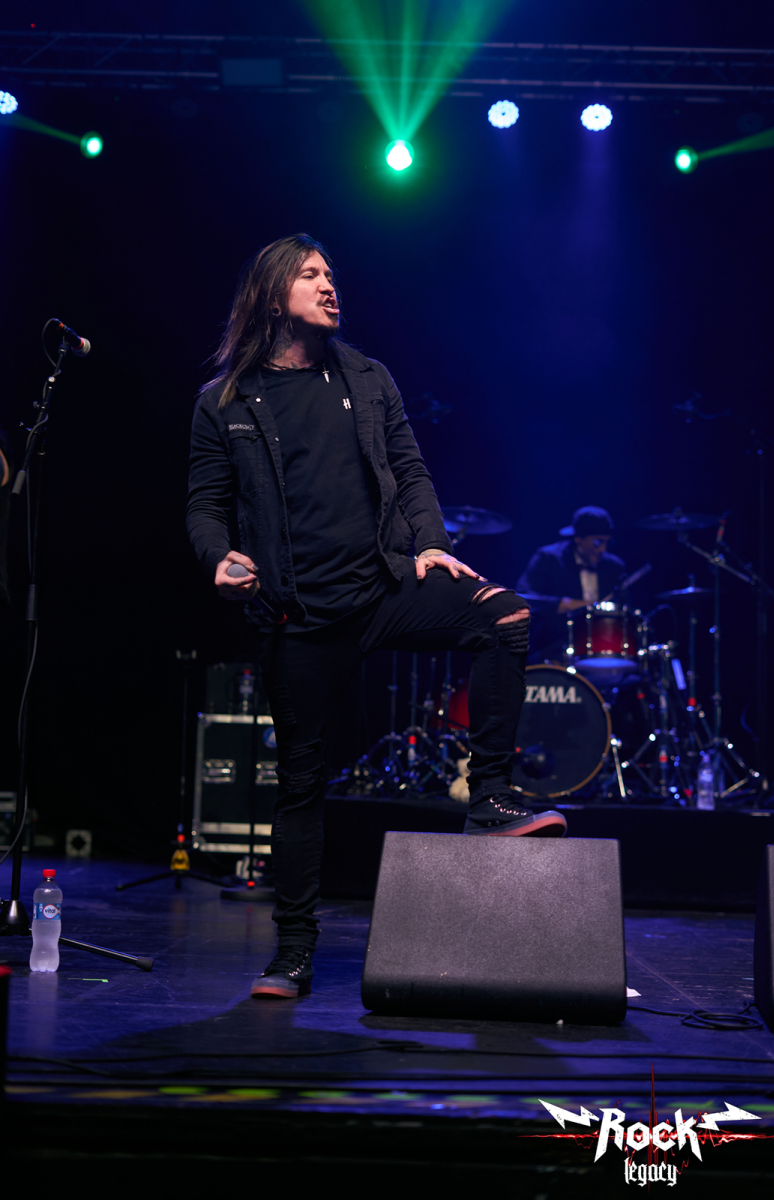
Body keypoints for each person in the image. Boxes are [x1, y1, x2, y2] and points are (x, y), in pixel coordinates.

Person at [187, 233, 567, 1000]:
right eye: (310, 274)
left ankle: (488, 796)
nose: (330, 284)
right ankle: (292, 953)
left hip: (382, 589)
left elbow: (412, 471)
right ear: (272, 294)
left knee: (505, 619)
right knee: (301, 786)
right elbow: (205, 504)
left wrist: (431, 544)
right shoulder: (224, 401)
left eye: (331, 273)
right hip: (298, 616)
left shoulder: (366, 379)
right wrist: (219, 558)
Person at [516, 507, 626, 663]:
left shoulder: (615, 567)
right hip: (552, 648)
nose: (603, 549)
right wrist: (566, 604)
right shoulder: (549, 559)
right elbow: (524, 597)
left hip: (604, 648)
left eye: (607, 542)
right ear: (578, 538)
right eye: (597, 542)